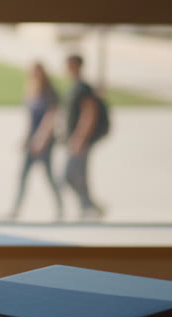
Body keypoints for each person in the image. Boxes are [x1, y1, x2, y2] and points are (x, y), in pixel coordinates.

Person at [9, 61, 62, 220]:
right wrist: (26, 139)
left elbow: (50, 118)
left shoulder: (49, 92)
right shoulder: (30, 90)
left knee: (48, 176)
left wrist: (40, 139)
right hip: (32, 139)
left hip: (44, 141)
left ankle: (60, 207)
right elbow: (30, 120)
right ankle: (16, 208)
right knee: (23, 175)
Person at [61, 53, 106, 219]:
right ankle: (88, 207)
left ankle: (89, 206)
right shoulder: (75, 86)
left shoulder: (83, 88)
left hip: (80, 140)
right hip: (74, 139)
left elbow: (89, 114)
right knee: (77, 175)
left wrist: (79, 138)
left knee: (70, 175)